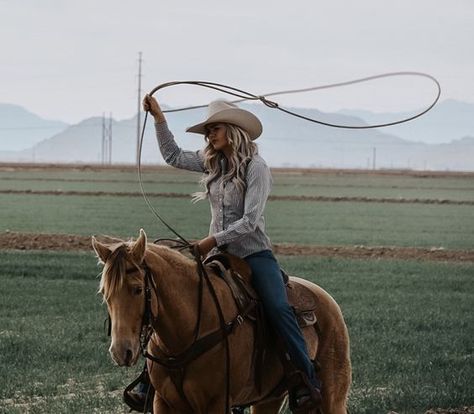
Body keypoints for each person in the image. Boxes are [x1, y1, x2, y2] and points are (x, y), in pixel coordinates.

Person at [141, 95, 322, 411]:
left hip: (253, 256)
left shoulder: (257, 168)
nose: (209, 135)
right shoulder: (212, 162)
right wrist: (159, 118)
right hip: (218, 257)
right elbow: (171, 154)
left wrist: (212, 241)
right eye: (208, 130)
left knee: (278, 309)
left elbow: (250, 222)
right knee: (177, 303)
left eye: (215, 128)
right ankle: (152, 379)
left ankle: (303, 380)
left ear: (234, 130)